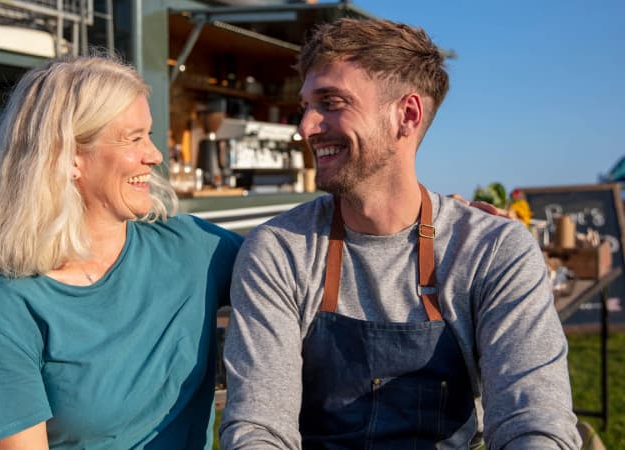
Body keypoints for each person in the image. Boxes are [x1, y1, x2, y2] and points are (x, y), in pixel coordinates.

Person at [220, 18, 581, 450]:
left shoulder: (491, 250)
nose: (306, 126)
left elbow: (533, 421)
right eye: (306, 105)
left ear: (406, 115)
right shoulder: (281, 250)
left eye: (331, 102)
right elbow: (259, 429)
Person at [0, 54, 243, 450]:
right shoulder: (5, 307)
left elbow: (291, 274)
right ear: (68, 156)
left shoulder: (193, 251)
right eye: (133, 138)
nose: (155, 155)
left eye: (150, 135)